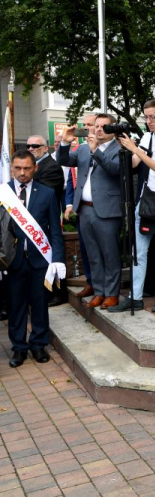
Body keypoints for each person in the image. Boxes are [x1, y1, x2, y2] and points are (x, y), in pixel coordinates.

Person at [107, 100, 155, 313]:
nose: (148, 122)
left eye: (152, 117)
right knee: (138, 251)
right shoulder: (146, 138)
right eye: (146, 117)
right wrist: (126, 149)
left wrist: (135, 148)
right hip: (145, 201)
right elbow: (135, 165)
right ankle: (135, 296)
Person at [5, 150, 65, 367]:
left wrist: (57, 259)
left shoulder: (48, 193)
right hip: (12, 261)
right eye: (18, 168)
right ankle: (19, 348)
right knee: (16, 306)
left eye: (27, 168)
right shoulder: (4, 193)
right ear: (11, 168)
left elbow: (55, 232)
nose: (22, 173)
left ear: (35, 168)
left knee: (40, 304)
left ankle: (39, 345)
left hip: (40, 260)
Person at [58, 113, 123, 309]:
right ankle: (99, 291)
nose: (99, 130)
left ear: (113, 129)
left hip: (107, 211)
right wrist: (65, 142)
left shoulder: (120, 148)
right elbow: (64, 160)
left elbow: (114, 170)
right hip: (85, 210)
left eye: (104, 126)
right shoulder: (84, 149)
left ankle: (112, 293)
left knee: (110, 254)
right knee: (93, 254)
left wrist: (96, 151)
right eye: (97, 126)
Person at [26, 135, 67, 307]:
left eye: (35, 145)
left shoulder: (52, 167)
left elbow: (44, 193)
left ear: (46, 147)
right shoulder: (31, 166)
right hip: (30, 220)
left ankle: (58, 293)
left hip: (46, 221)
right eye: (28, 146)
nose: (31, 148)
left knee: (51, 255)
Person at [63, 114, 95, 298]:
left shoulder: (108, 147)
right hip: (82, 209)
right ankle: (90, 282)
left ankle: (105, 287)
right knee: (85, 248)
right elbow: (71, 178)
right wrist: (69, 204)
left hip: (102, 210)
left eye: (89, 125)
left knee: (102, 251)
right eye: (84, 125)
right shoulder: (80, 149)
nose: (86, 128)